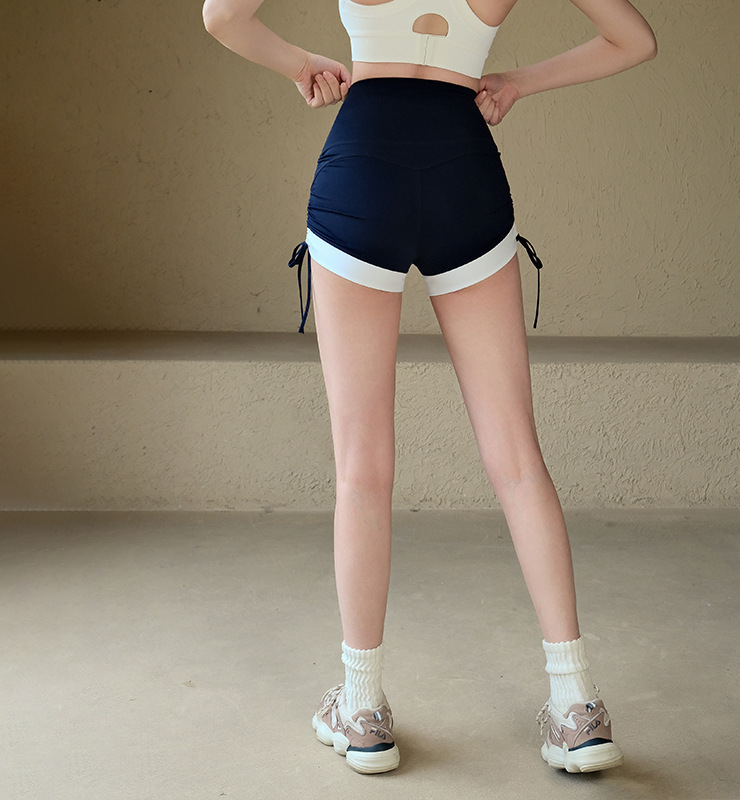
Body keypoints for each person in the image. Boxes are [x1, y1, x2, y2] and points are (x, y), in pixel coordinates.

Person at [203, 0, 656, 776]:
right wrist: (517, 81)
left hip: (363, 167)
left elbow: (223, 16)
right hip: (464, 169)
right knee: (518, 461)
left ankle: (363, 708)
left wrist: (302, 66)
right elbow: (633, 40)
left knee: (362, 468)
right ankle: (578, 707)